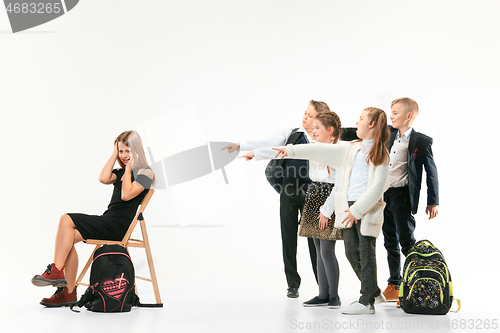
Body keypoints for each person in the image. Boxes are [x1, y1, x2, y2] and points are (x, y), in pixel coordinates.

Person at [274, 107, 390, 314]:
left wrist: (354, 210)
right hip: (343, 206)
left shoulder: (378, 153)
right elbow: (317, 150)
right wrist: (290, 150)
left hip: (360, 209)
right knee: (348, 252)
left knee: (364, 252)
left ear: (371, 124)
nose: (356, 122)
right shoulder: (353, 147)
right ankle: (370, 291)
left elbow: (377, 187)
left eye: (361, 119)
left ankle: (365, 300)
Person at [31, 130, 155, 307]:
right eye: (121, 151)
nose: (124, 155)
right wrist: (114, 154)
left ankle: (57, 271)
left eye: (128, 151)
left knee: (66, 218)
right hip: (107, 220)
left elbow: (127, 195)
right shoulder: (120, 172)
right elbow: (103, 178)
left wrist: (128, 170)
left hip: (117, 227)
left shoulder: (146, 173)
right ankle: (68, 291)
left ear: (137, 151)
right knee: (68, 239)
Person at [223, 100, 330, 298]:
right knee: (288, 238)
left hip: (313, 194)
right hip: (289, 192)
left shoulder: (322, 140)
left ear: (320, 120)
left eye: (310, 115)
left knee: (316, 243)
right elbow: (266, 142)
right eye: (305, 113)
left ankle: (323, 286)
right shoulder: (292, 133)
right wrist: (241, 145)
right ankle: (292, 284)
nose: (305, 117)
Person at [381, 97, 439, 304]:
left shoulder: (421, 141)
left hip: (402, 197)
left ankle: (413, 286)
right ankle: (394, 284)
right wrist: (335, 130)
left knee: (407, 243)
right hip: (383, 196)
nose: (391, 116)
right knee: (389, 242)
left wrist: (433, 201)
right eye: (391, 112)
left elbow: (431, 173)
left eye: (395, 113)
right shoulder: (387, 132)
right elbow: (360, 132)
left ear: (409, 116)